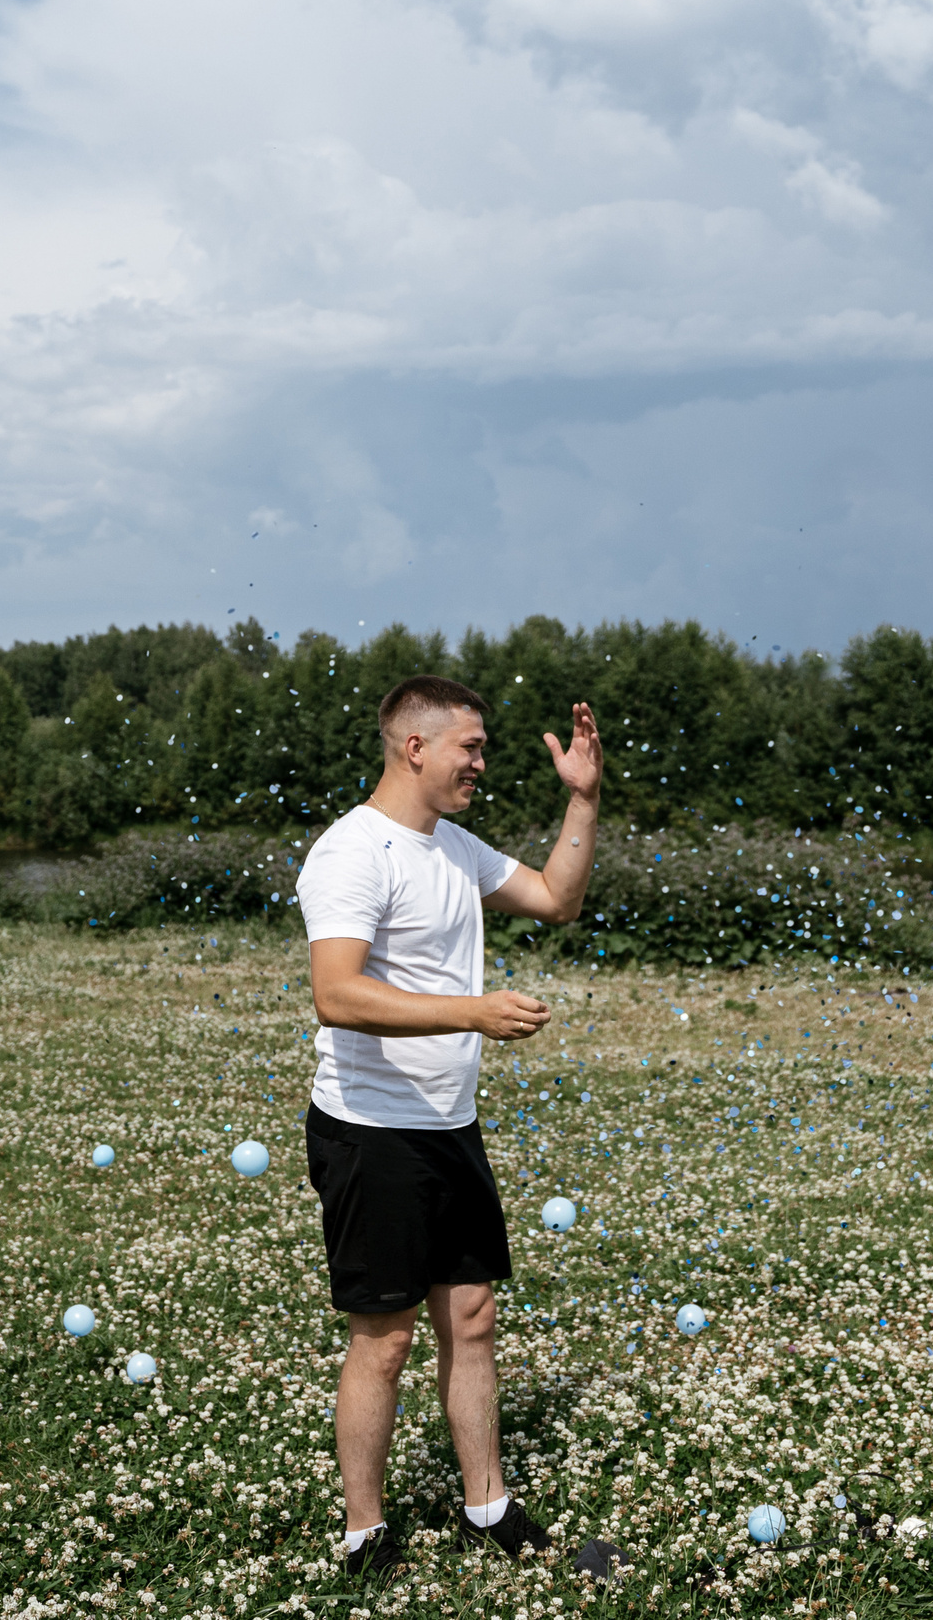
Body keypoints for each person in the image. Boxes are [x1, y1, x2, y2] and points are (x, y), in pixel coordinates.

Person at [296, 673, 603, 1579]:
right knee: (383, 1338)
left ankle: (487, 1507)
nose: (482, 761)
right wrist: (470, 1010)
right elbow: (336, 992)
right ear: (413, 746)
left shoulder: (454, 847)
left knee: (471, 1316)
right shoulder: (353, 852)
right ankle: (365, 1531)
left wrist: (583, 799)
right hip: (369, 1129)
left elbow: (557, 897)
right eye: (469, 746)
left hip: (448, 1124)